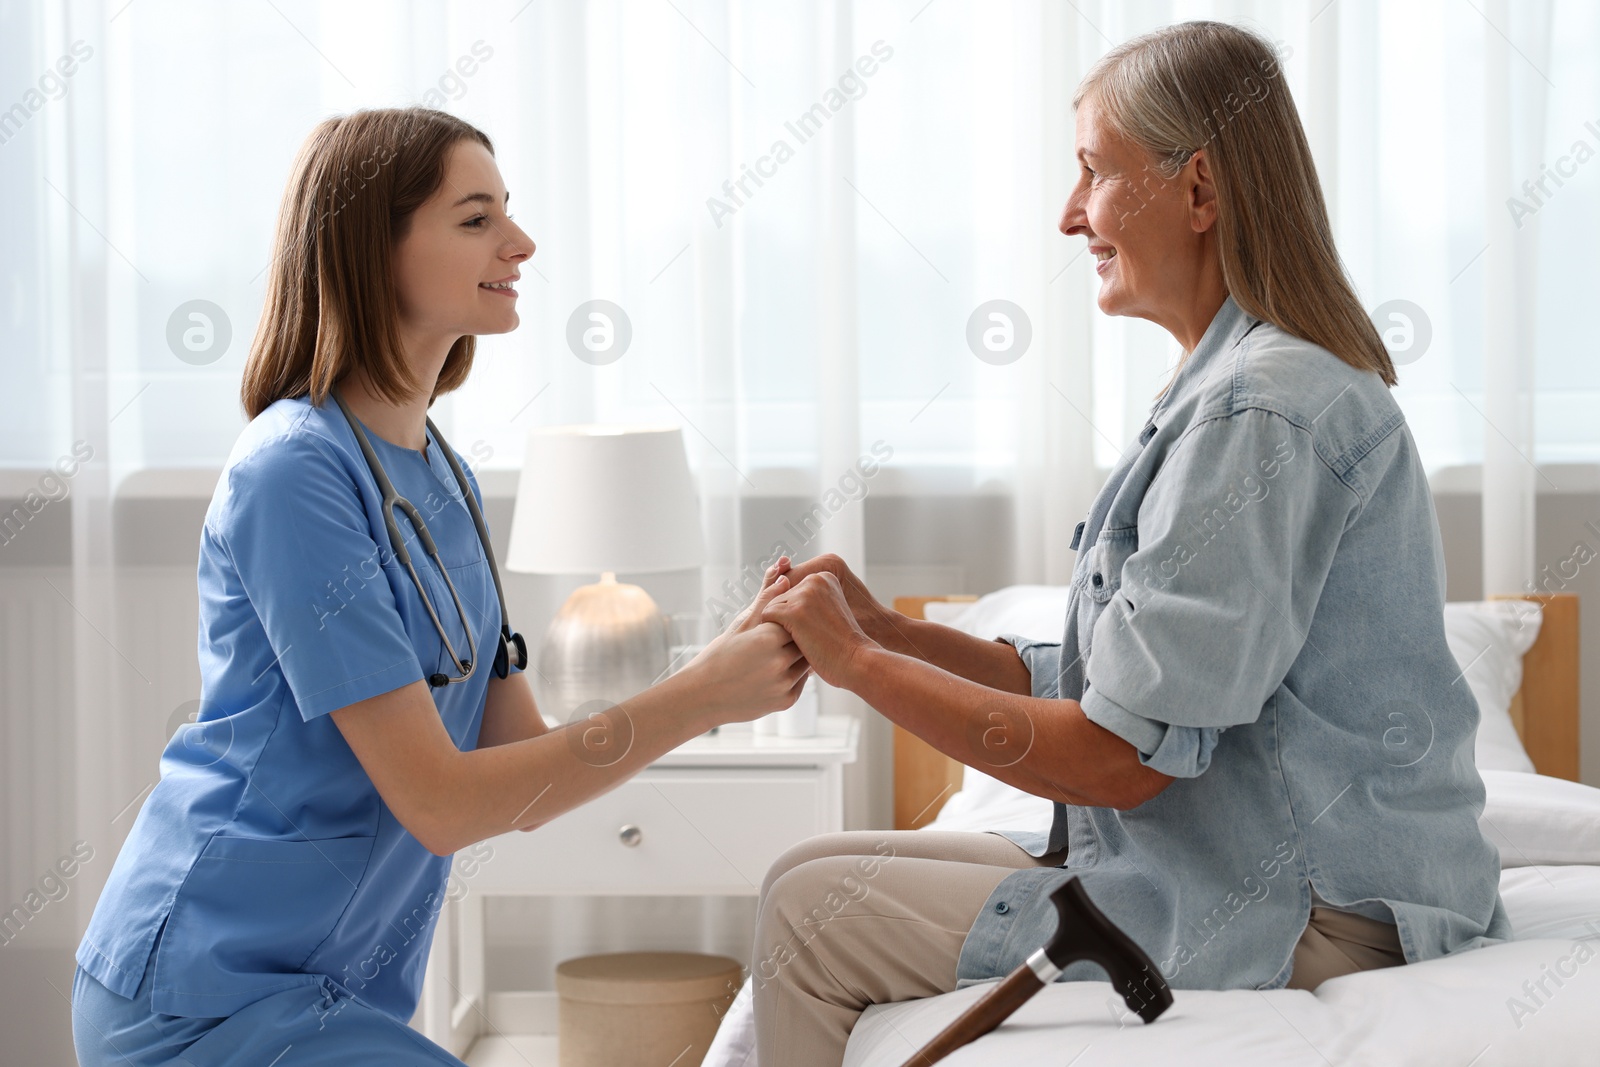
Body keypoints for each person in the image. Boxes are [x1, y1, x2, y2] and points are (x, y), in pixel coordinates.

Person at [745, 21, 1509, 1066]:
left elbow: (1118, 758)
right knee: (803, 872)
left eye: (1094, 175)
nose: (1070, 216)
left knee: (812, 917)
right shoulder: (1235, 387)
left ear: (1198, 192)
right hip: (1264, 864)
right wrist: (890, 631)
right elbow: (1117, 680)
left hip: (1308, 911)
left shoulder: (1261, 411)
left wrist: (860, 665)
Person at [70, 107, 807, 1066]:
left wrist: (715, 676)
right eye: (475, 219)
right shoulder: (293, 471)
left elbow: (525, 774)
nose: (521, 242)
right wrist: (702, 692)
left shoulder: (443, 476)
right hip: (204, 996)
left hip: (336, 994)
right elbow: (442, 802)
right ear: (369, 250)